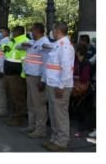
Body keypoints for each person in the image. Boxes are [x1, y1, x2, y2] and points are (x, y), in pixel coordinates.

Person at [42, 22, 75, 153]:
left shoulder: (65, 46)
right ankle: (55, 139)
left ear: (57, 31)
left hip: (59, 86)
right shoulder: (57, 45)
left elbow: (66, 68)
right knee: (54, 113)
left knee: (60, 114)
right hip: (52, 83)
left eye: (53, 30)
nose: (52, 32)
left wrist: (61, 86)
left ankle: (61, 142)